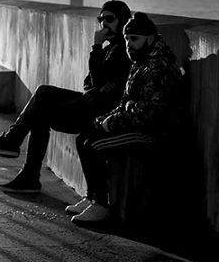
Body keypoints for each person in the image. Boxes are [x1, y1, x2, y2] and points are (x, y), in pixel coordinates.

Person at [0, 0, 133, 194]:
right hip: (91, 104)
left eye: (109, 19)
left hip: (100, 114)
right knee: (44, 93)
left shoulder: (125, 50)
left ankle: (22, 162)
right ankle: (19, 156)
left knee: (41, 110)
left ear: (123, 21)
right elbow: (90, 83)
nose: (104, 24)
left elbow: (100, 85)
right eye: (101, 20)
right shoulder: (110, 48)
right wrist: (96, 76)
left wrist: (96, 48)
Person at [69, 12, 182, 225]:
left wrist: (113, 123)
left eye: (135, 39)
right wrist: (105, 119)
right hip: (135, 125)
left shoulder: (159, 67)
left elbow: (149, 115)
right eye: (127, 39)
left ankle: (101, 206)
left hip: (152, 133)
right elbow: (126, 104)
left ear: (150, 38)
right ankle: (93, 197)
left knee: (94, 145)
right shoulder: (141, 62)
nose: (129, 44)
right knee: (84, 137)